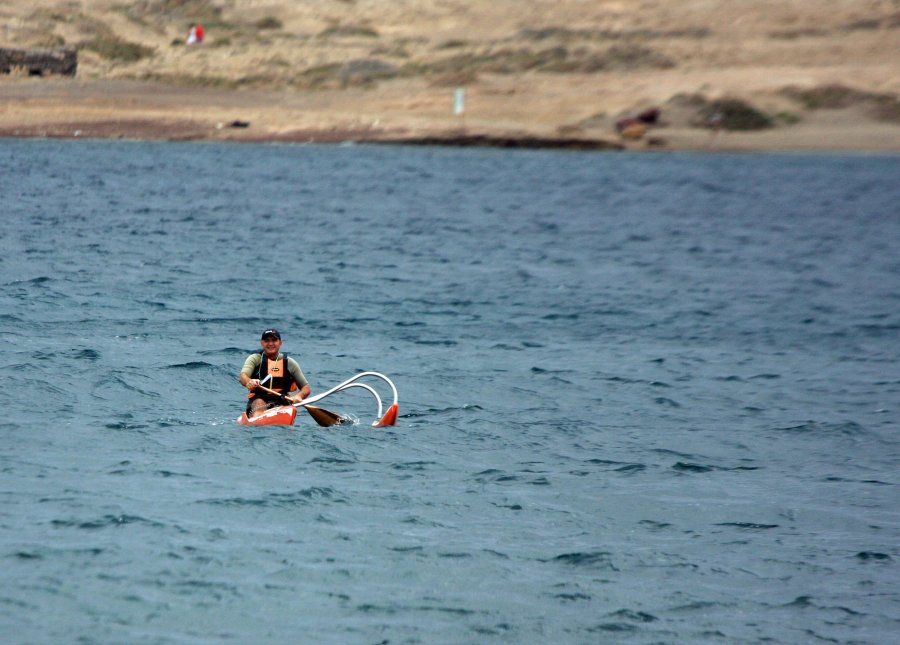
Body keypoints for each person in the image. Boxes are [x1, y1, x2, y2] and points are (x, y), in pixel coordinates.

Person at [239, 328, 311, 418]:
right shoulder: (255, 359)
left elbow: (306, 388)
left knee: (287, 408)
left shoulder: (290, 363)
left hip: (282, 400)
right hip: (259, 400)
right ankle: (259, 420)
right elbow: (243, 376)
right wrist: (249, 381)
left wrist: (299, 396)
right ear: (262, 343)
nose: (270, 344)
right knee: (259, 402)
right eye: (267, 341)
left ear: (280, 343)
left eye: (274, 340)